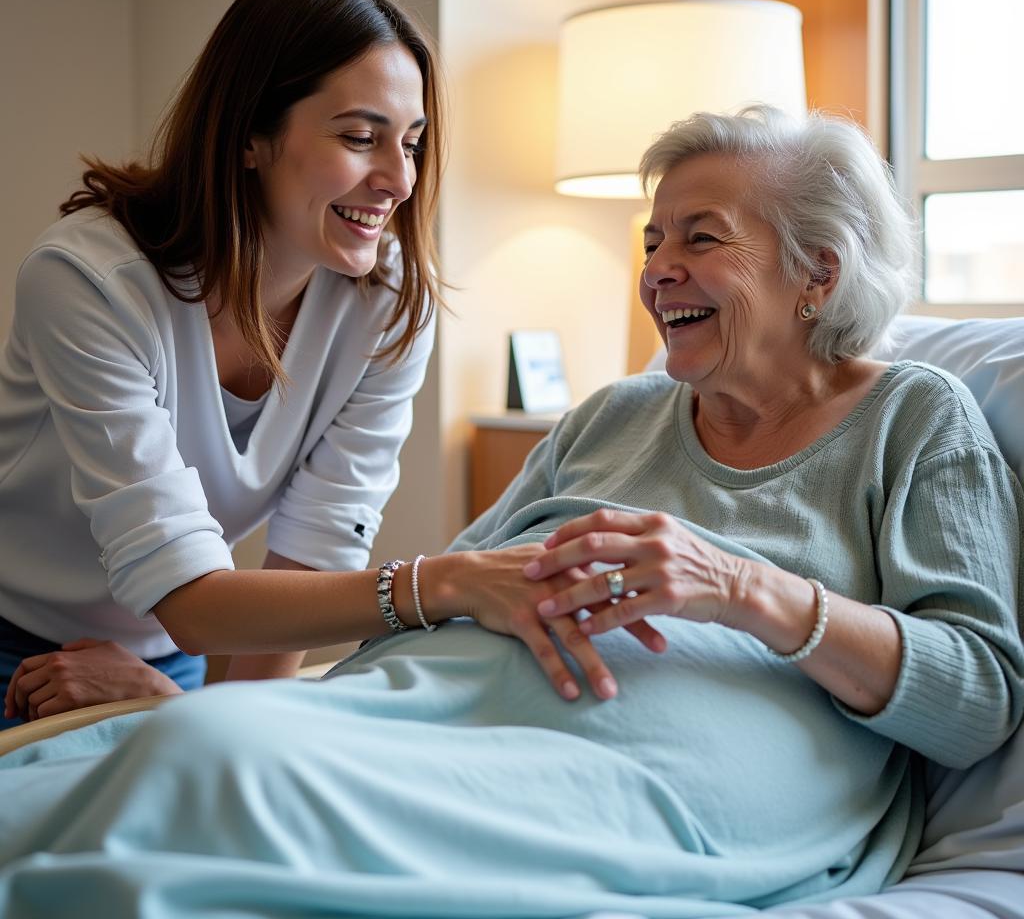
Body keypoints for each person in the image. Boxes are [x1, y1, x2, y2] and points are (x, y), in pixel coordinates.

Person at [0, 106, 1020, 915]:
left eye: (699, 239)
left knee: (201, 768)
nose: (656, 267)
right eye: (653, 236)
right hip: (436, 724)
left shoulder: (912, 416)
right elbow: (440, 602)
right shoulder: (615, 414)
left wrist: (746, 588)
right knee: (140, 764)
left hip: (637, 783)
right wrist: (236, 701)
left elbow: (977, 698)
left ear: (818, 273)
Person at [0, 0, 629, 730]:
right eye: (361, 138)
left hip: (172, 646)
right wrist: (444, 583)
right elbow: (187, 592)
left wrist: (178, 708)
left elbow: (310, 562)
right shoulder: (89, 282)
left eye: (414, 143)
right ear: (250, 138)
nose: (399, 179)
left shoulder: (391, 304)